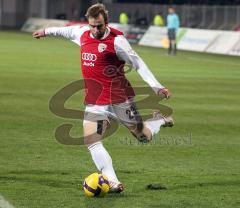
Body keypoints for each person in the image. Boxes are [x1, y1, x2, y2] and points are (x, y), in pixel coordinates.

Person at [32, 3, 173, 193]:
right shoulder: (82, 32)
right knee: (91, 140)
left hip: (119, 97)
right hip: (95, 99)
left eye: (99, 25)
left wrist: (157, 86)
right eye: (92, 25)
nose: (95, 30)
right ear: (88, 23)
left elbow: (138, 63)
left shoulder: (117, 41)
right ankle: (113, 182)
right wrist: (45, 31)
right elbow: (64, 31)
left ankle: (158, 121)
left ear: (106, 22)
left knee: (142, 137)